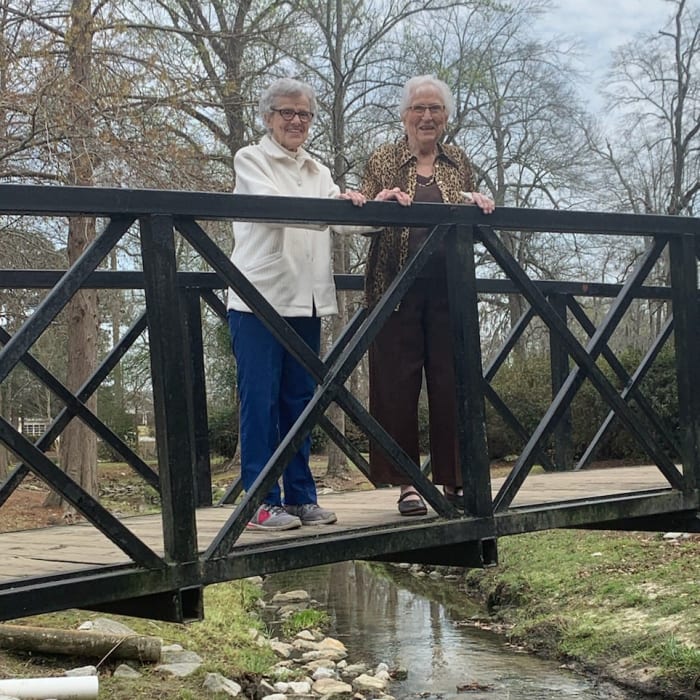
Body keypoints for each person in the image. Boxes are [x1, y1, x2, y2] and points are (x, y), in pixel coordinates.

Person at [227, 77, 366, 531]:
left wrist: (377, 208)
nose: (296, 121)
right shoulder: (251, 159)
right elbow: (275, 208)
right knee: (260, 402)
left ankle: (302, 497)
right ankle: (260, 502)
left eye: (304, 114)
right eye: (287, 112)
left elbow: (344, 221)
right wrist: (333, 208)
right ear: (268, 117)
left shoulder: (317, 170)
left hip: (305, 303)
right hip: (258, 302)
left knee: (300, 404)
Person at [360, 75, 495, 516]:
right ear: (404, 116)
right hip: (394, 289)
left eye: (435, 108)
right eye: (418, 108)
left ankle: (454, 479)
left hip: (448, 290)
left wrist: (479, 206)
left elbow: (464, 226)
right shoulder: (383, 158)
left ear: (446, 117)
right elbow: (359, 215)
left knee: (451, 381)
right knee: (397, 385)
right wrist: (378, 202)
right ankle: (407, 484)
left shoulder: (458, 160)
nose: (427, 116)